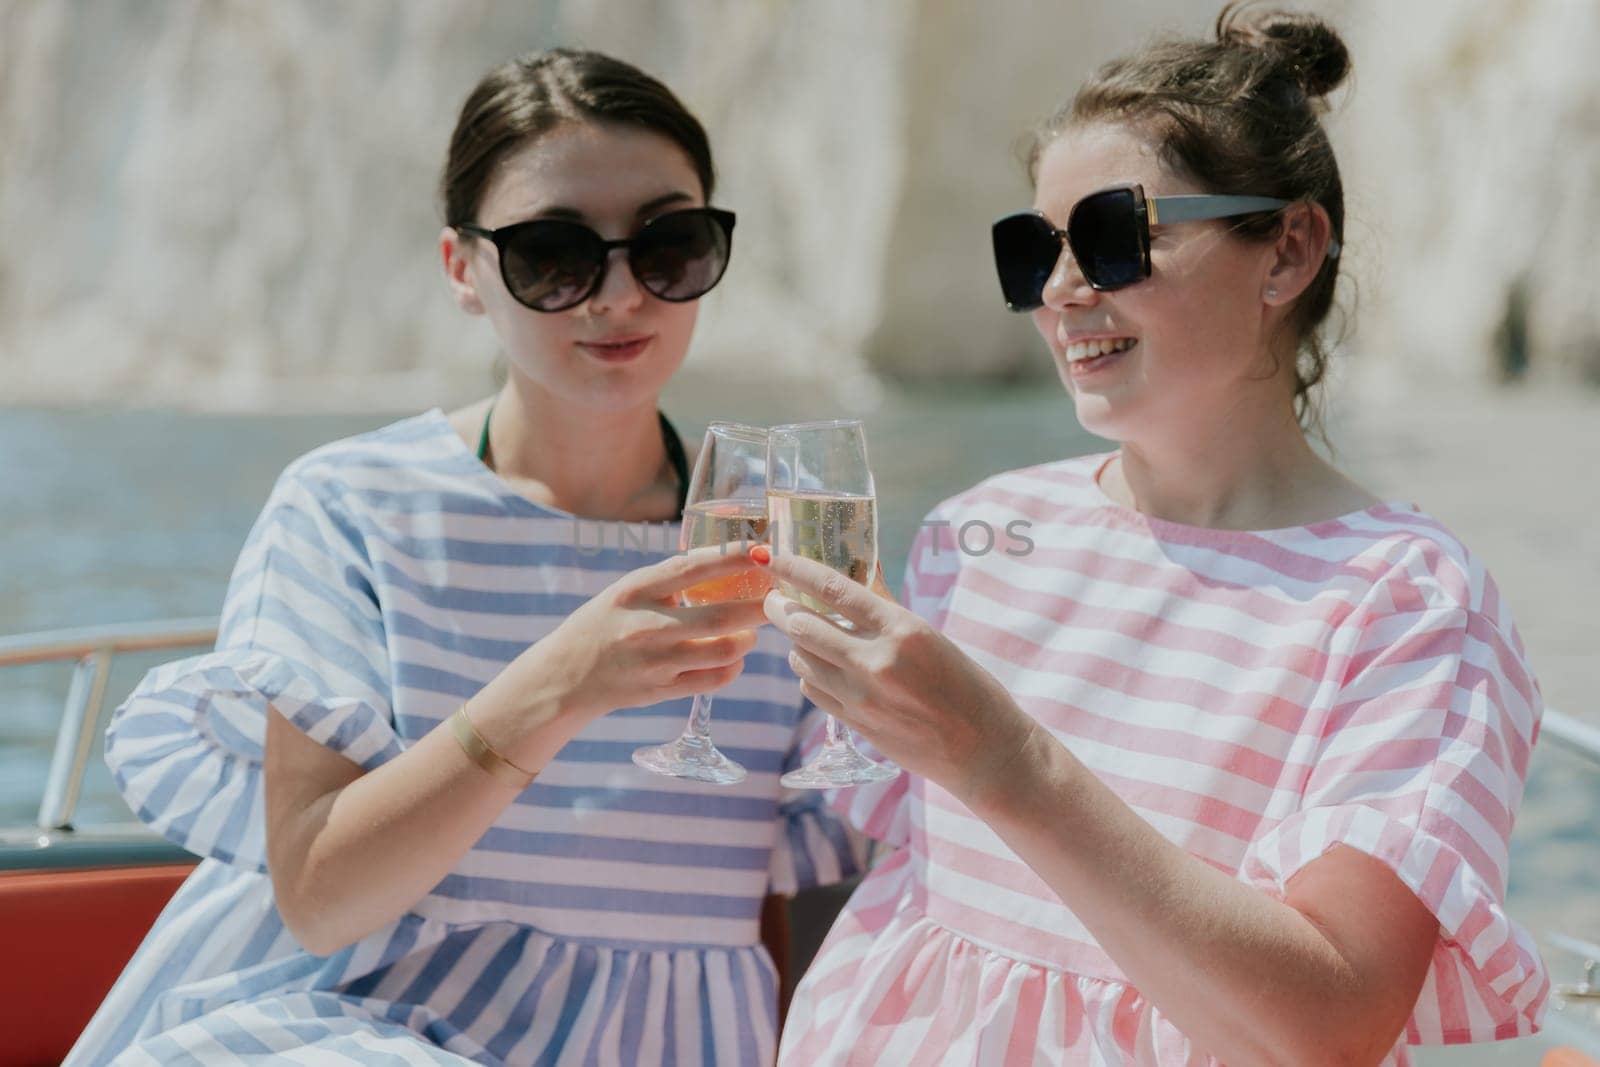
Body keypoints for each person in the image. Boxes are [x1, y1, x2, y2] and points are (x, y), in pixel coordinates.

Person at [763, 7, 1549, 1065]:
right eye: (1033, 247)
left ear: (1288, 250)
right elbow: (898, 887)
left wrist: (1002, 756)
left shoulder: (1403, 598)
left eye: (1111, 236)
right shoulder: (981, 531)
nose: (1059, 288)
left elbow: (1331, 1022)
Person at [69, 48, 861, 1066]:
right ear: (461, 271)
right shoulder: (353, 504)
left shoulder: (779, 532)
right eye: (552, 255)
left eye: (669, 244)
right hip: (345, 1019)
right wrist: (558, 687)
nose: (618, 296)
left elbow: (803, 859)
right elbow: (320, 898)